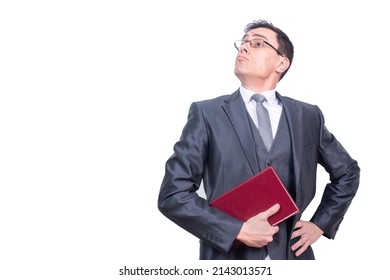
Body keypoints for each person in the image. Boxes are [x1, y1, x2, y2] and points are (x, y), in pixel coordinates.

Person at [157, 19, 360, 260]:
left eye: (257, 43)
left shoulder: (307, 116)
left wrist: (321, 223)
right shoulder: (206, 113)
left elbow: (347, 172)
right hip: (229, 262)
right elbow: (173, 195)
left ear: (282, 63)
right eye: (242, 44)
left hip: (293, 258)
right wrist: (237, 230)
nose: (244, 48)